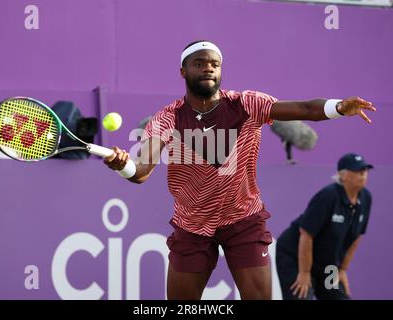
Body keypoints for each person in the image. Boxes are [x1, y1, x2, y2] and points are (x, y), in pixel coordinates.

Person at [103, 40, 376, 300]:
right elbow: (141, 171)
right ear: (183, 71)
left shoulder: (248, 104)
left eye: (214, 64)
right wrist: (123, 166)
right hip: (191, 225)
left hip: (243, 219)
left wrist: (338, 107)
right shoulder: (167, 119)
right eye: (199, 63)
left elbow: (305, 108)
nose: (208, 67)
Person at [275, 153, 373, 300]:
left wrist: (342, 269)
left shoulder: (366, 198)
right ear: (343, 175)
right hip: (296, 258)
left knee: (339, 297)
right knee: (302, 296)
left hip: (328, 266)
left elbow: (357, 236)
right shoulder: (328, 196)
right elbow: (306, 234)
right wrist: (304, 272)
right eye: (358, 171)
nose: (363, 174)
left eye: (365, 170)